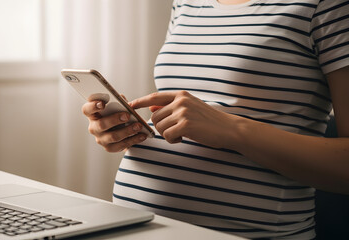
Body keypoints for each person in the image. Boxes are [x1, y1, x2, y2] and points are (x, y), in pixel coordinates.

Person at [82, 0, 349, 239]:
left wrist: (232, 129)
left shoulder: (329, 6)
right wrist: (119, 130)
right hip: (136, 225)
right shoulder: (187, 3)